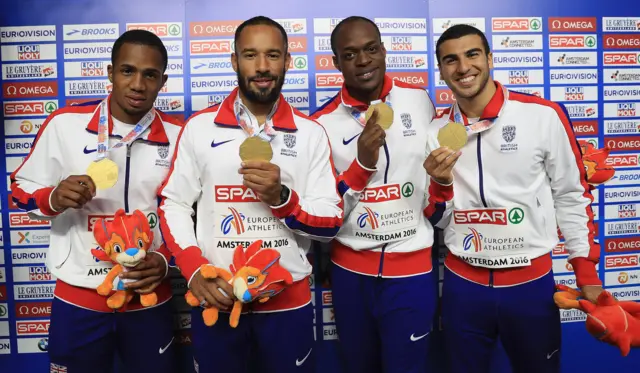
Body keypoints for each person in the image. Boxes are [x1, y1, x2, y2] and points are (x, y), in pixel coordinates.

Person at [157, 16, 344, 373]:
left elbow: (331, 222)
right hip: (217, 298)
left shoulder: (310, 133)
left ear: (288, 61)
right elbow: (174, 204)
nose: (262, 67)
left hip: (286, 303)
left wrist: (282, 198)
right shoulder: (199, 128)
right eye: (250, 55)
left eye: (273, 55)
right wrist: (195, 270)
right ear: (234, 61)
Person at [428, 24, 603, 373]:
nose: (463, 67)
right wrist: (441, 185)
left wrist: (587, 272)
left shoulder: (542, 115)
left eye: (472, 54)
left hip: (530, 285)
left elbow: (571, 194)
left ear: (490, 58)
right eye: (451, 60)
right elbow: (436, 217)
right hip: (464, 286)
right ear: (442, 70)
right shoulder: (435, 131)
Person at [10, 29, 181, 373]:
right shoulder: (64, 124)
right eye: (127, 71)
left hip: (148, 293)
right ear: (110, 73)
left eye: (150, 75)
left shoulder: (180, 134)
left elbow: (192, 216)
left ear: (162, 81)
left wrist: (166, 261)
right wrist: (53, 197)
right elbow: (19, 190)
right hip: (79, 296)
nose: (137, 84)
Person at [311, 16, 455, 373]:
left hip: (412, 271)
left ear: (384, 51)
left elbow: (441, 171)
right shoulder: (321, 123)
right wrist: (362, 161)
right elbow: (323, 207)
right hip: (350, 274)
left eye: (371, 49)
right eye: (350, 54)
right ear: (335, 63)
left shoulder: (418, 100)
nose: (363, 61)